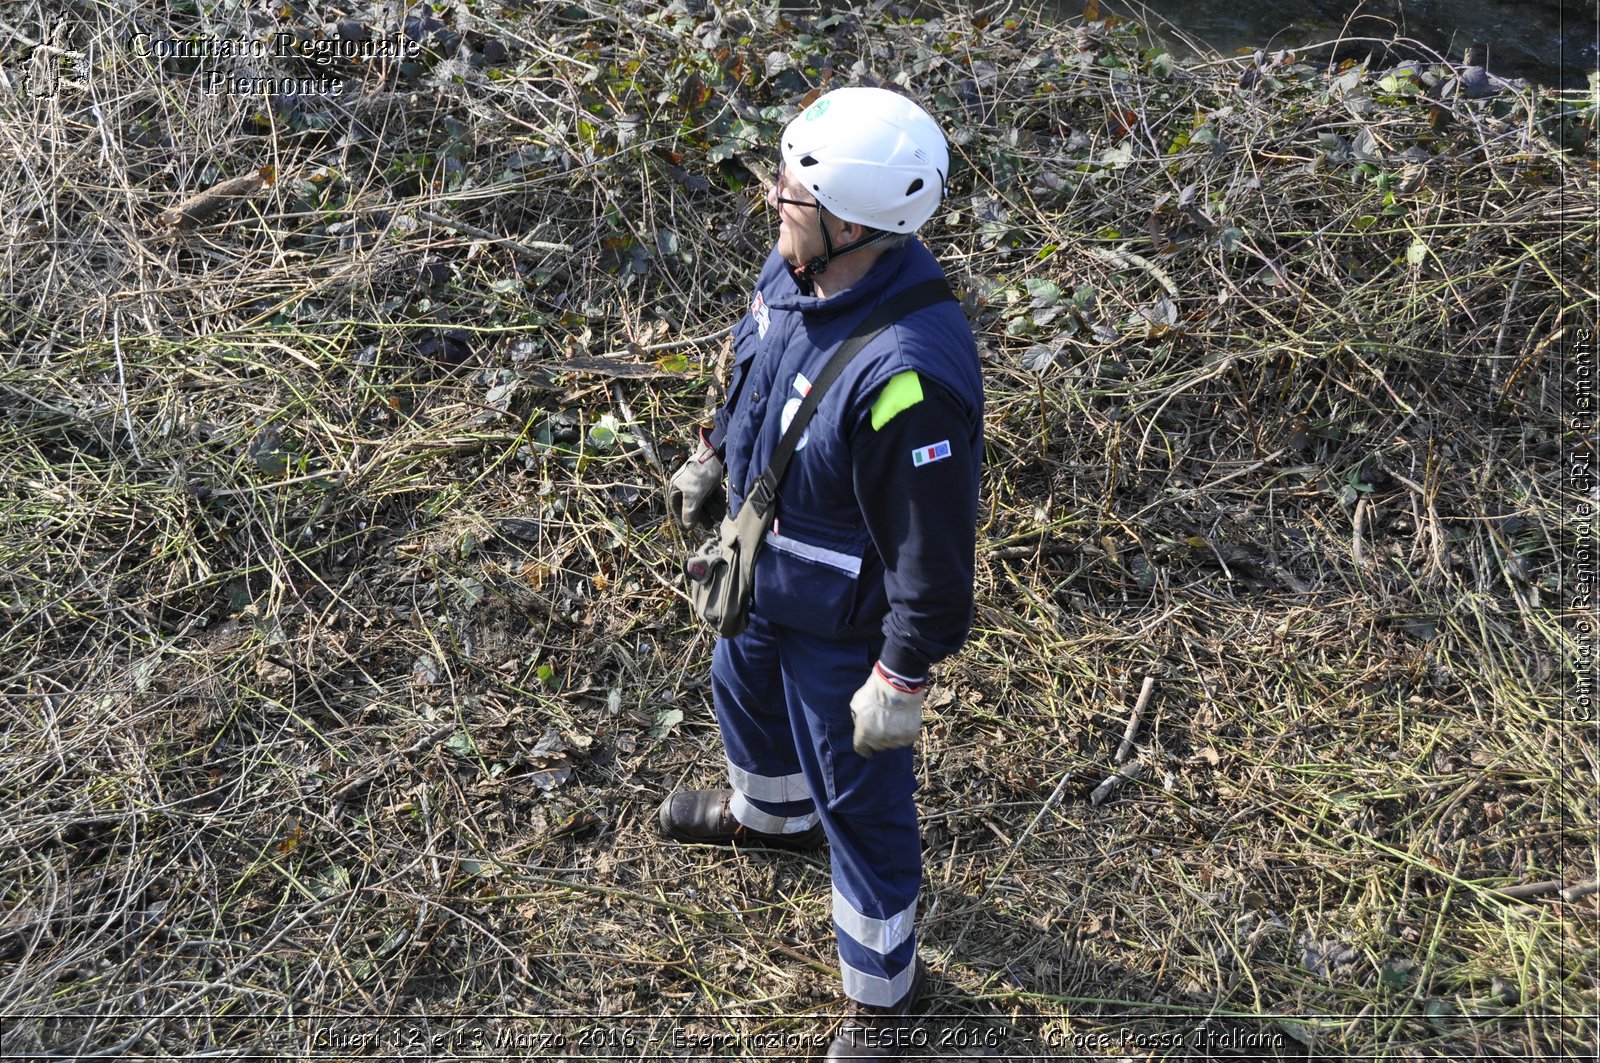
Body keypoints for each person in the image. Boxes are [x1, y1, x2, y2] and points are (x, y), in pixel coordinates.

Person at [660, 86, 983, 1059]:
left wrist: (903, 672)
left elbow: (934, 552)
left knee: (862, 801)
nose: (772, 201)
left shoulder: (908, 378)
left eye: (791, 194)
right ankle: (769, 817)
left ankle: (884, 1000)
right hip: (762, 577)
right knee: (739, 696)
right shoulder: (797, 263)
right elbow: (751, 360)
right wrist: (714, 449)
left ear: (854, 221)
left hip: (840, 627)